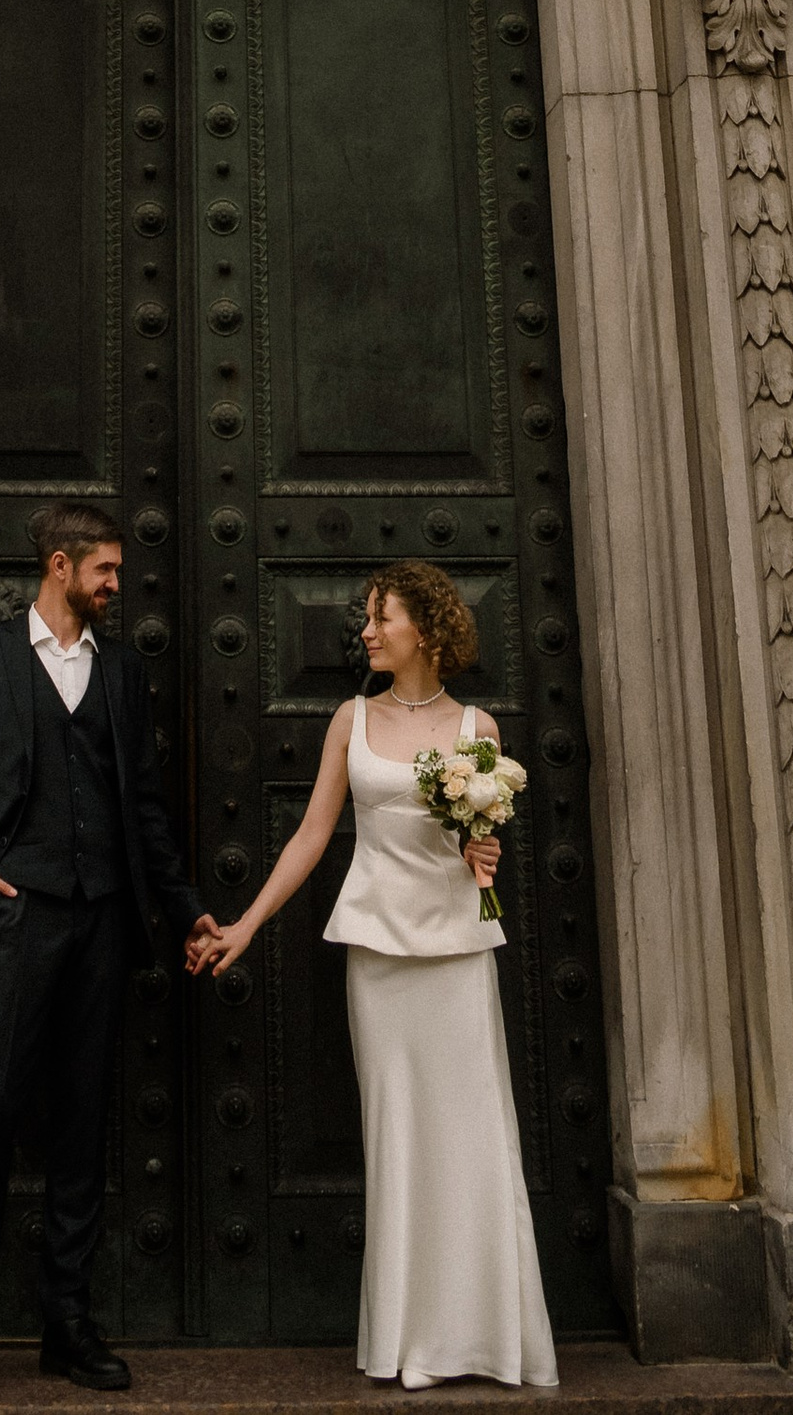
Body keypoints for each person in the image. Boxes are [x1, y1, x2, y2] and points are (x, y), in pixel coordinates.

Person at [195, 564, 558, 1391]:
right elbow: (312, 836)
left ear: (422, 629)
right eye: (367, 617)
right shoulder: (349, 718)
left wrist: (481, 853)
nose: (365, 630)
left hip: (457, 955)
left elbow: (476, 842)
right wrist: (247, 924)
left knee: (473, 1136)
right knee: (397, 1138)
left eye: (379, 616)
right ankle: (409, 1339)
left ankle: (487, 1338)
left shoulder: (478, 726)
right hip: (380, 956)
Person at [0, 502, 220, 1404]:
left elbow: (146, 809)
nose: (118, 585)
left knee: (83, 1121)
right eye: (105, 571)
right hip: (14, 918)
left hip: (102, 923)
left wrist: (185, 908)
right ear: (59, 564)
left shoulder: (121, 672)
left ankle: (66, 1324)